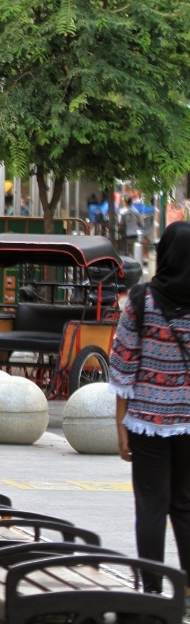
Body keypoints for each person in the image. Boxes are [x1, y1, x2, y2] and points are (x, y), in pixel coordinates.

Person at [109, 221, 190, 596]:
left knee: (152, 506)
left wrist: (121, 424)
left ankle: (152, 590)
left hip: (146, 422)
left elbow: (122, 363)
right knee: (186, 505)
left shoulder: (142, 300)